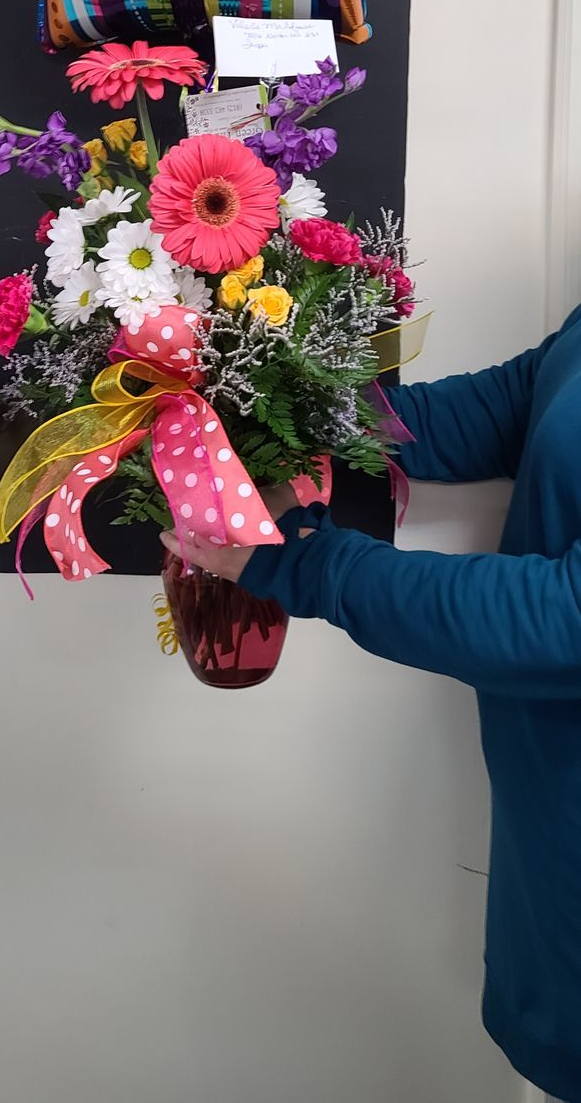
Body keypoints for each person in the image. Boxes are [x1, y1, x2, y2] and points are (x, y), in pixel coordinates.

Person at [162, 307, 581, 1103]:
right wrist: (268, 402)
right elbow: (507, 409)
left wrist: (308, 565)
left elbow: (566, 620)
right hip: (549, 834)